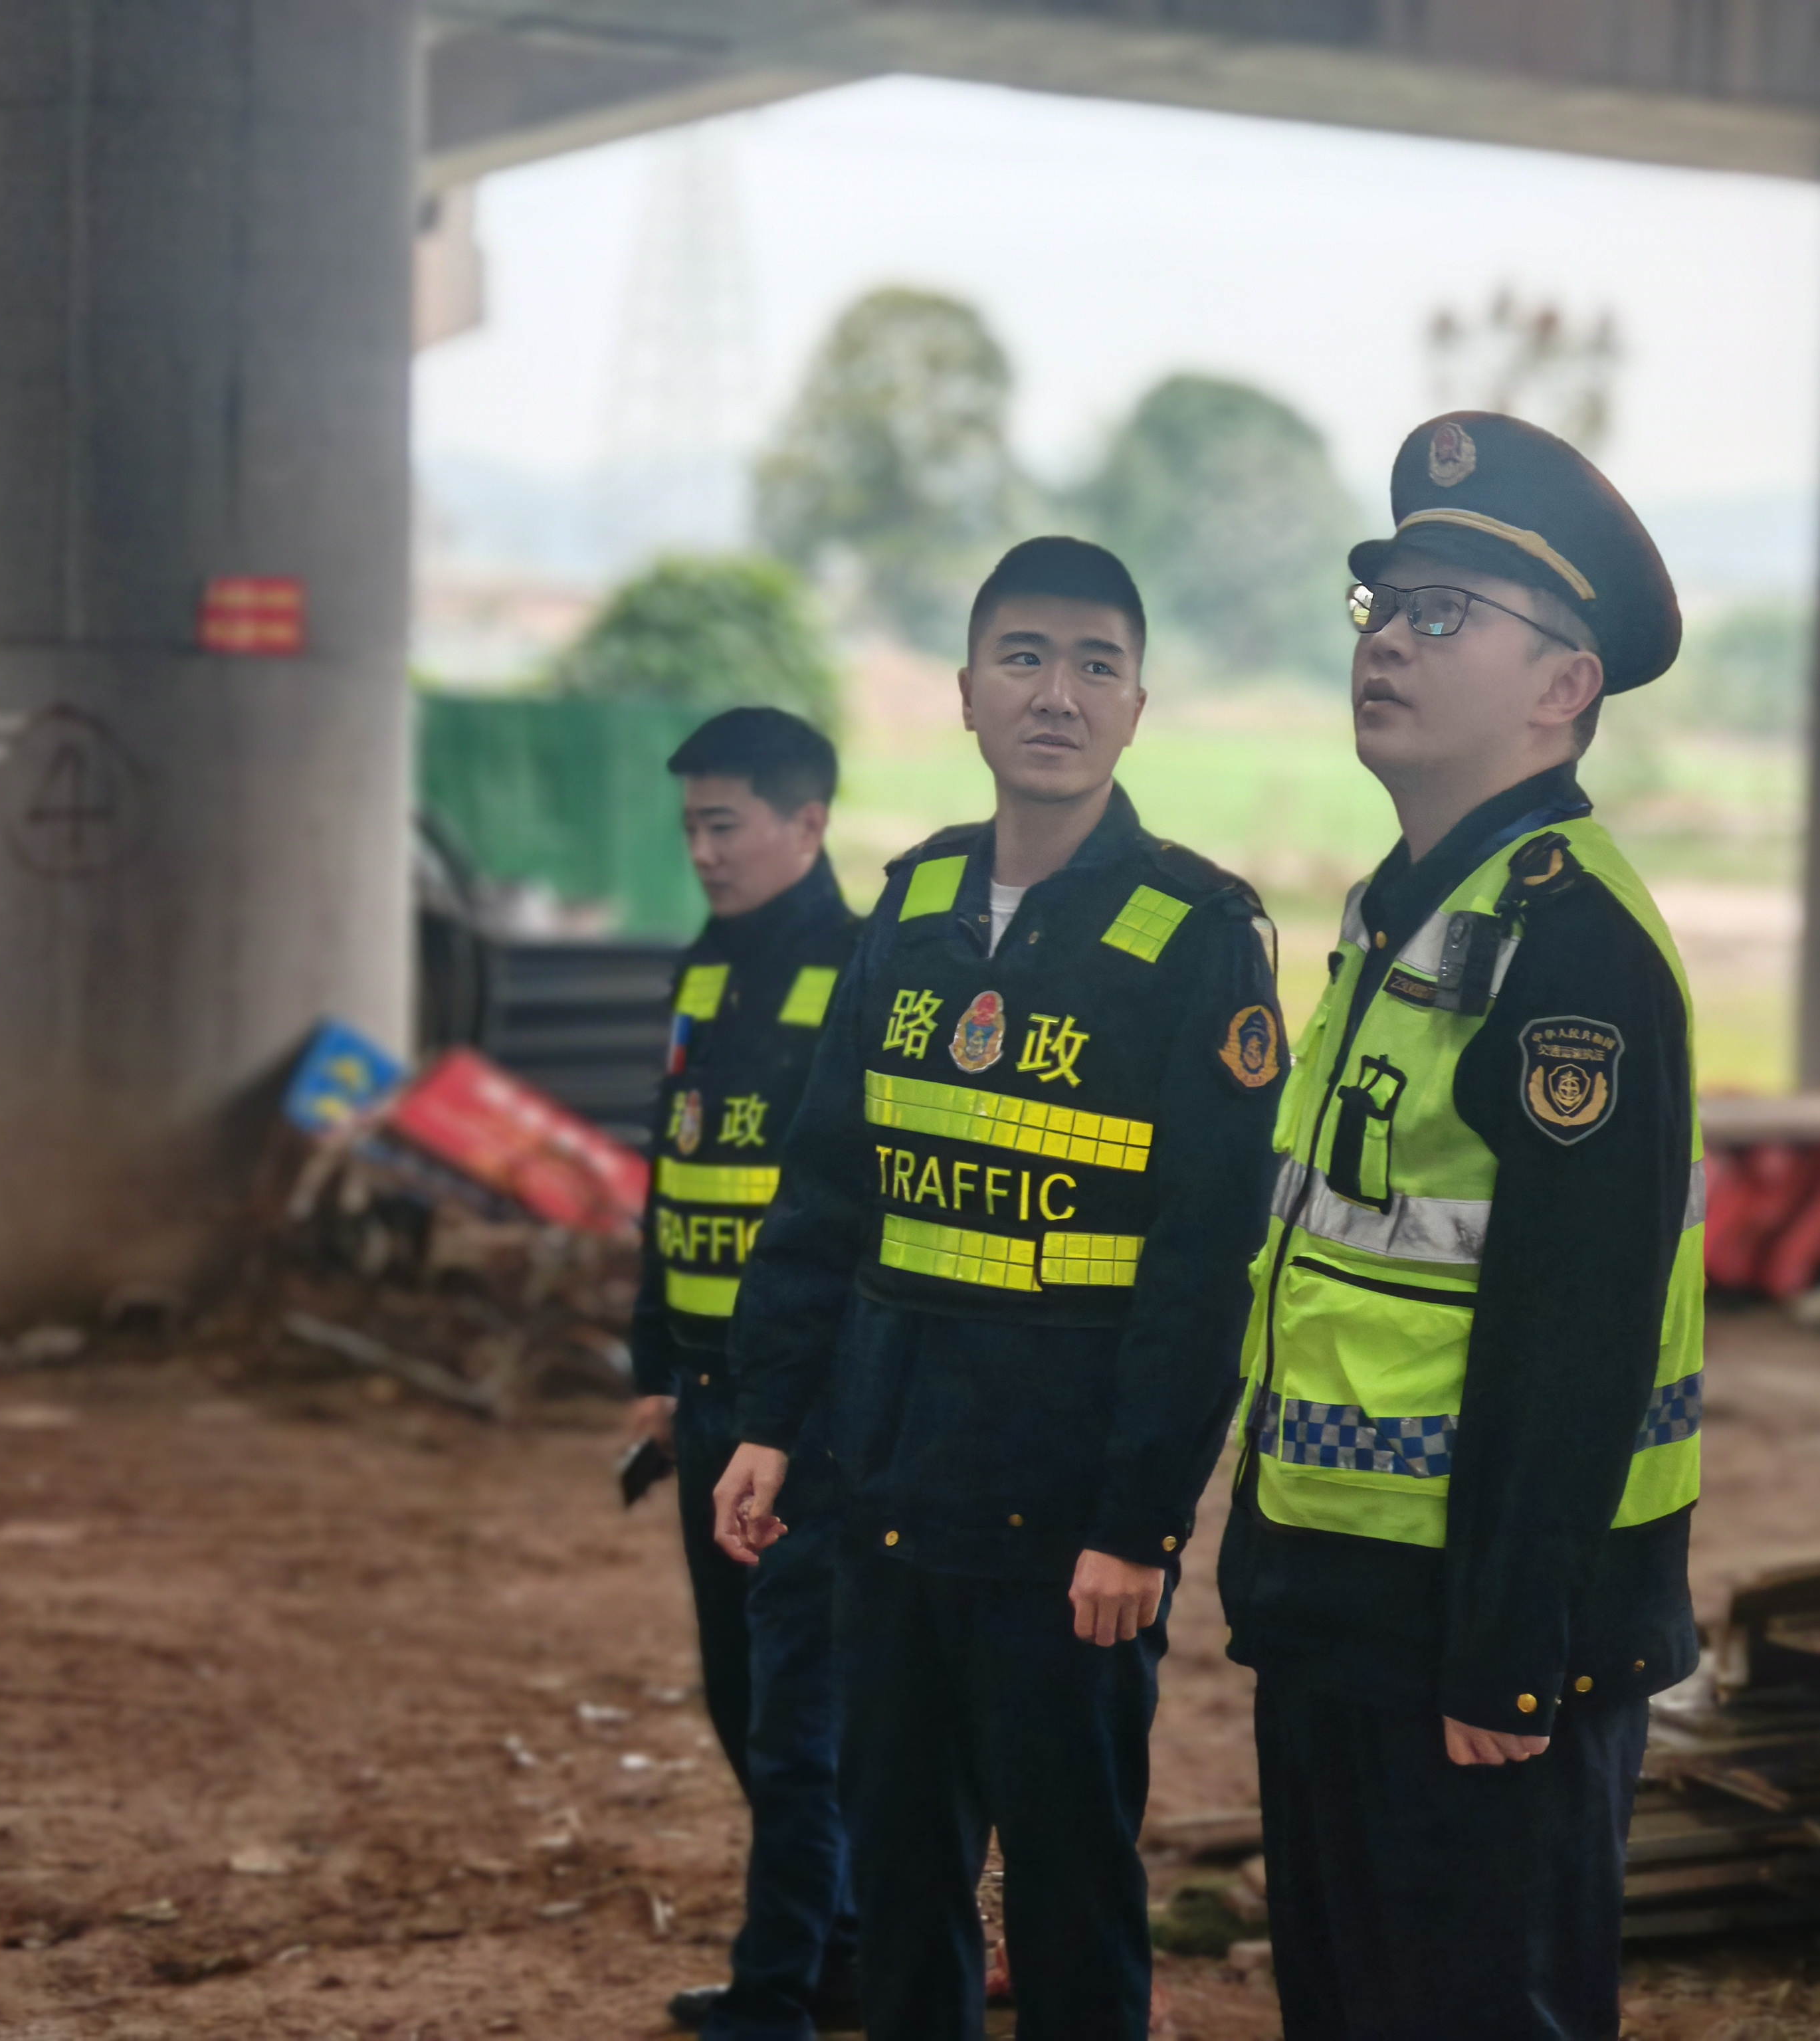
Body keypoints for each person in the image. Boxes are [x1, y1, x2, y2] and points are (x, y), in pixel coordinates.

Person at [712, 536, 1284, 2041]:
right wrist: (772, 1417)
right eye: (1024, 657)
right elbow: (827, 1193)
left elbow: (1204, 1267)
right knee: (902, 1879)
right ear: (966, 691)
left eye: (1097, 665)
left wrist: (1140, 1521)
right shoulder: (911, 906)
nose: (1057, 694)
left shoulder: (1195, 935)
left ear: (1139, 705)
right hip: (885, 1492)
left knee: (1070, 1889)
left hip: (1065, 1528)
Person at [1216, 412, 1705, 2040]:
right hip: (1344, 1605)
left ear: (1566, 685)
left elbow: (1576, 1334)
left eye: (1444, 615)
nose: (1388, 644)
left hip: (1478, 1641)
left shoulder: (1576, 952)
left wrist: (1509, 1651)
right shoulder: (1408, 911)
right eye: (1382, 607)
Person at [625, 707, 864, 2041]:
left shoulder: (857, 972)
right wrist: (653, 1364)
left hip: (801, 1414)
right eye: (691, 829)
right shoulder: (703, 971)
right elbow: (671, 1182)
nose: (703, 853)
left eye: (724, 826)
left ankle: (782, 1994)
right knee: (739, 1697)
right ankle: (841, 1951)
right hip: (707, 1396)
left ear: (806, 821)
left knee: (797, 1721)